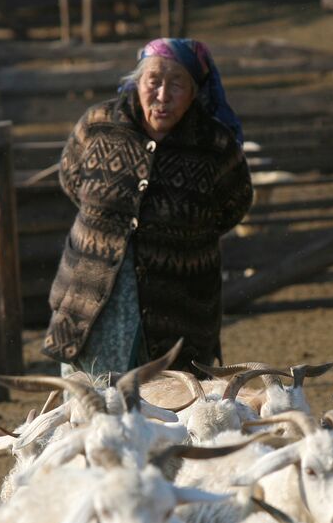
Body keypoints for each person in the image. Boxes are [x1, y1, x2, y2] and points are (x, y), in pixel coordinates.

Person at [42, 38, 254, 377]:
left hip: (179, 304)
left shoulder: (215, 146)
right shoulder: (98, 125)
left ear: (195, 91)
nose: (162, 95)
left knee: (172, 411)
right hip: (91, 298)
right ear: (137, 82)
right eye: (153, 80)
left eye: (177, 83)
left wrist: (174, 237)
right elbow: (72, 178)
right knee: (95, 409)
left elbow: (233, 206)